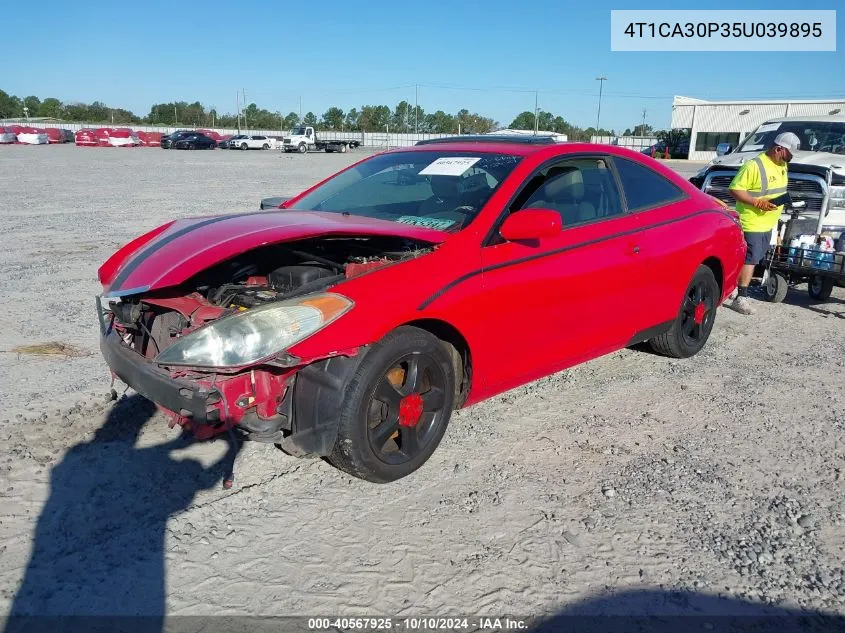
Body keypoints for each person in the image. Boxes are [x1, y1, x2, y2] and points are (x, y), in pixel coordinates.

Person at [726, 131, 801, 315]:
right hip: (752, 221)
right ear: (778, 149)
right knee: (750, 259)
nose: (790, 159)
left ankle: (731, 288)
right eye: (788, 154)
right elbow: (735, 189)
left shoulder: (782, 165)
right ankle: (741, 298)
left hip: (768, 222)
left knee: (751, 258)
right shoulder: (754, 166)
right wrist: (756, 202)